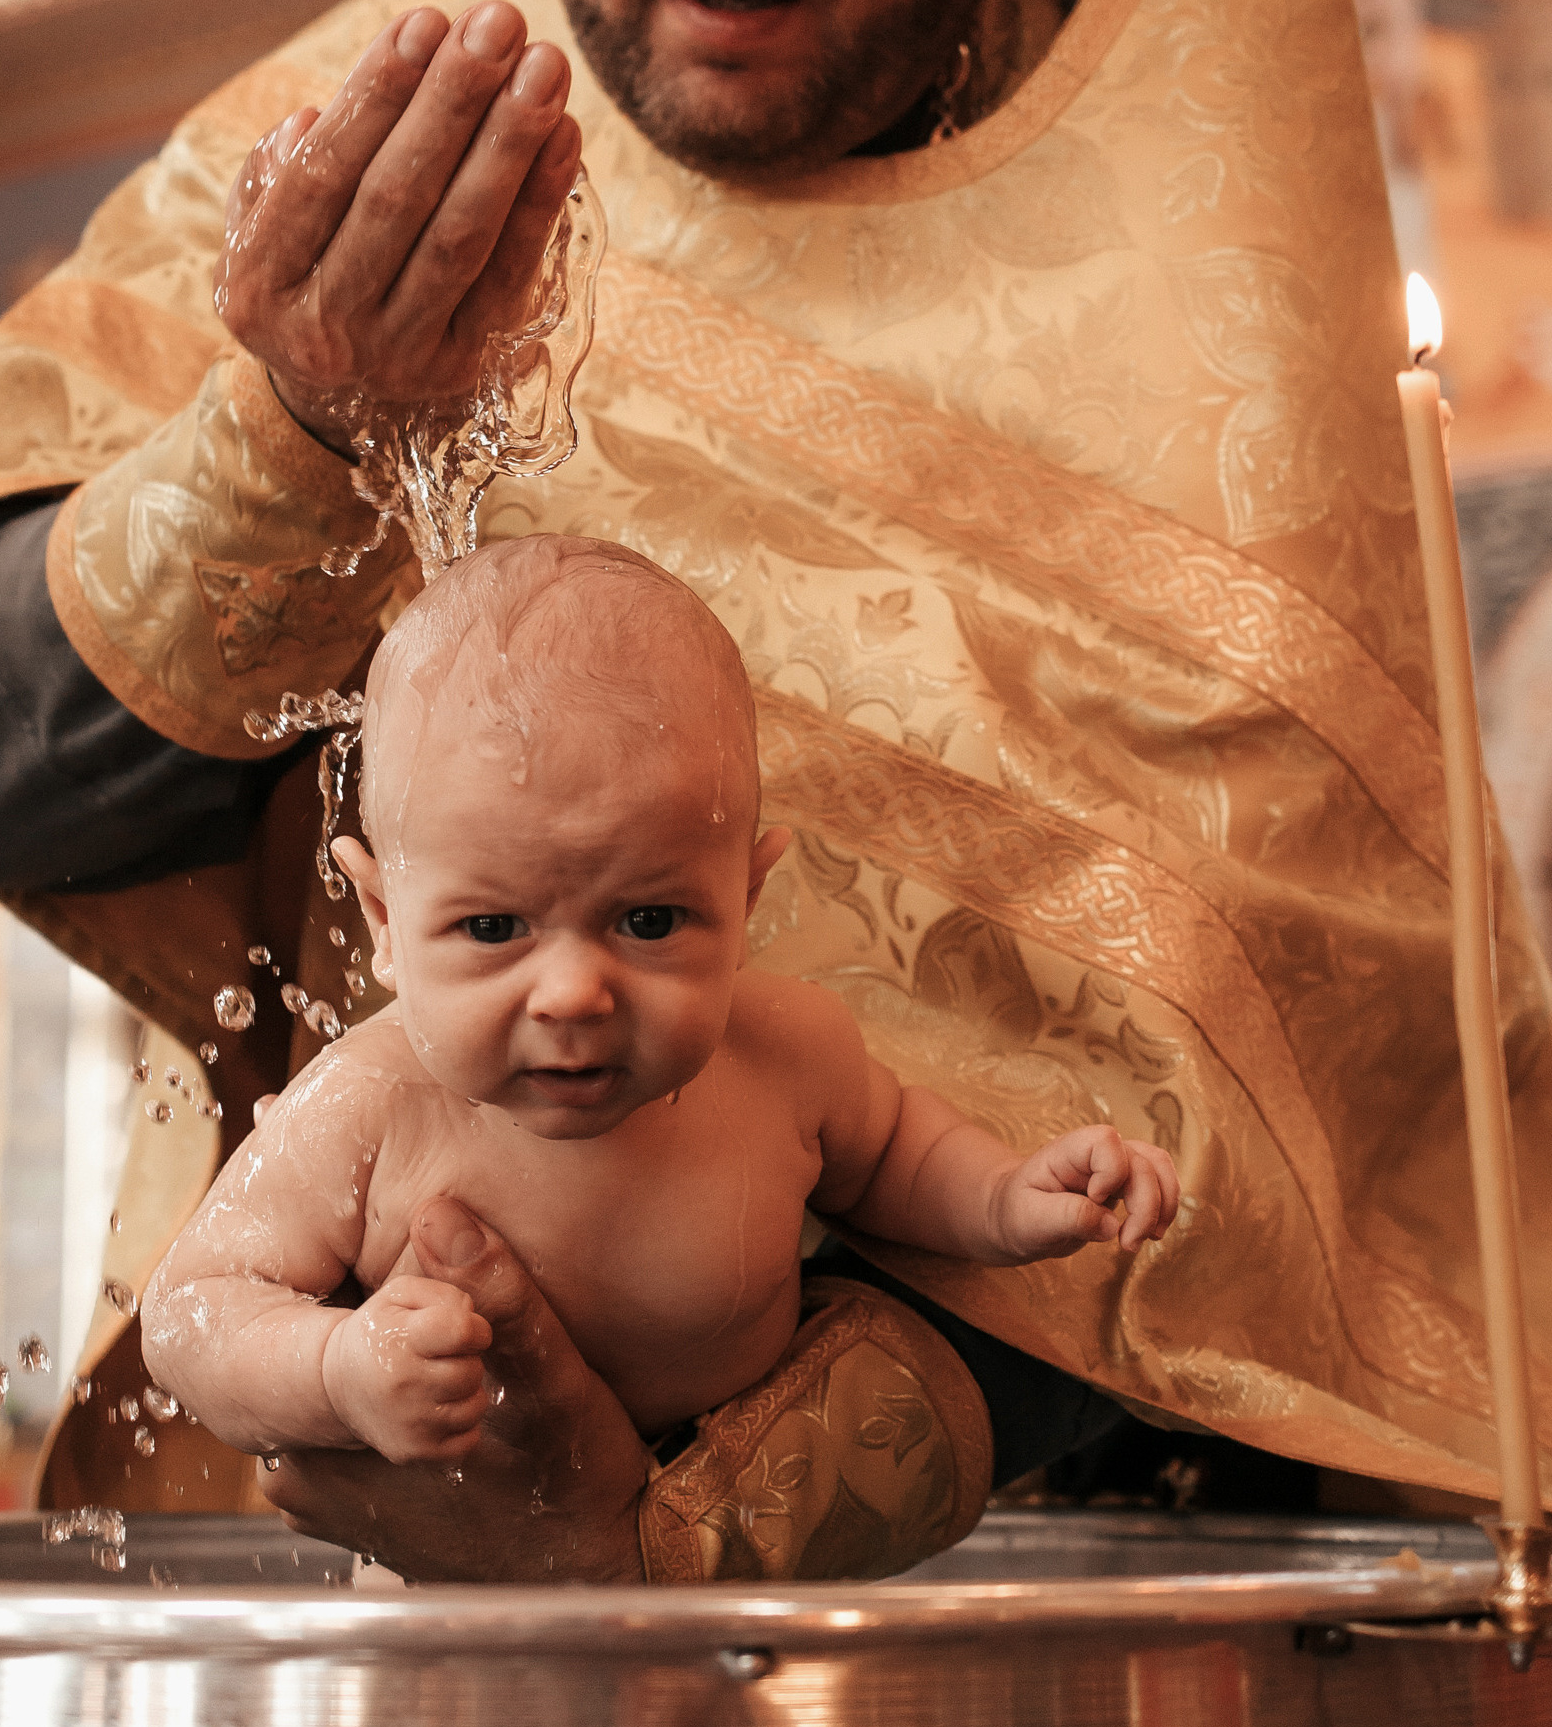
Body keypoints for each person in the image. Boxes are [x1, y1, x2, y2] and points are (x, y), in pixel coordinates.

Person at [0, 0, 1552, 1589]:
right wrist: (291, 435)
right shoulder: (352, 150)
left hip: (1036, 1631)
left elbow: (1255, 1135)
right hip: (341, 1568)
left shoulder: (1198, 297)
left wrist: (693, 1519)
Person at [141, 539, 1179, 1542]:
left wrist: (1003, 1199)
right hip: (455, 1590)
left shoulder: (785, 1054)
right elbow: (192, 1311)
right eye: (492, 928)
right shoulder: (363, 1105)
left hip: (738, 1552)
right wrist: (336, 1370)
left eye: (648, 921)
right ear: (382, 922)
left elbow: (894, 1158)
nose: (572, 994)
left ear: (745, 898)